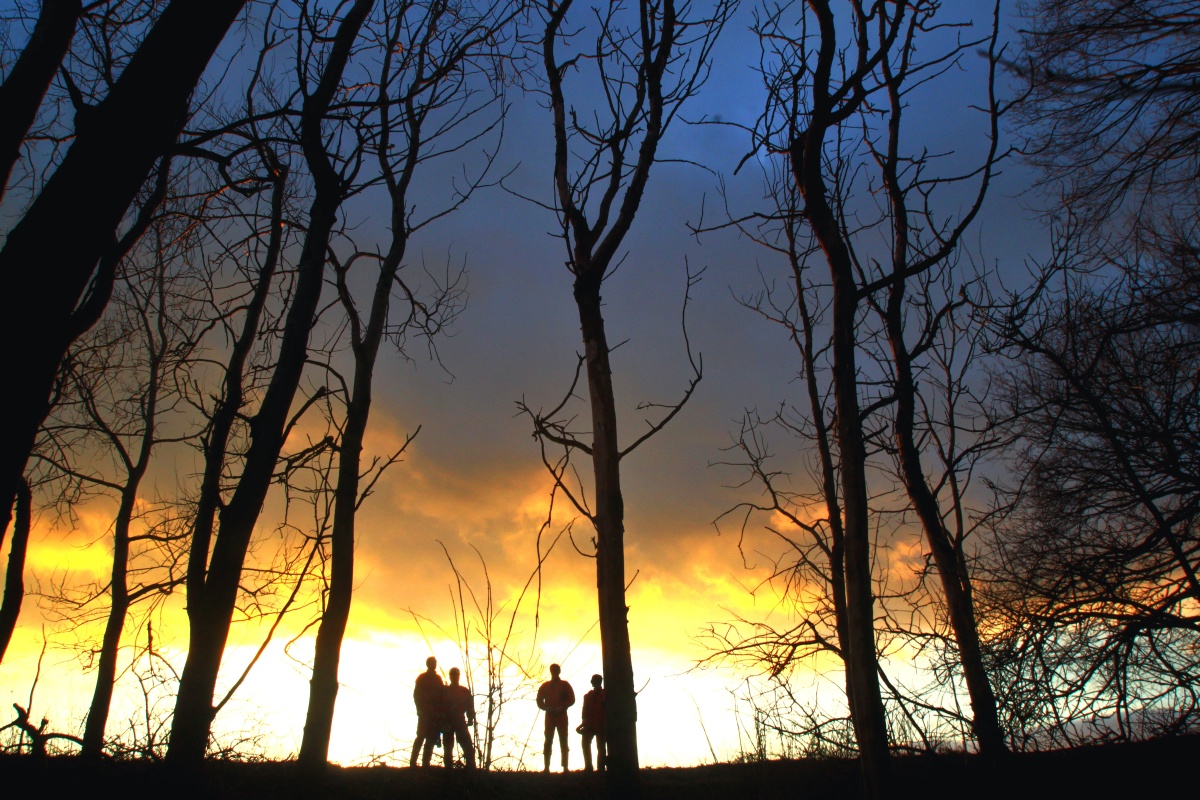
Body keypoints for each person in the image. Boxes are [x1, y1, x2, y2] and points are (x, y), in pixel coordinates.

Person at [536, 663, 575, 772]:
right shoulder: (545, 686)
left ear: (559, 671)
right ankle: (547, 767)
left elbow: (572, 699)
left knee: (563, 740)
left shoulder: (565, 685)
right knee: (548, 740)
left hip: (561, 715)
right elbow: (539, 700)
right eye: (553, 670)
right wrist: (546, 708)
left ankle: (565, 767)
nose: (554, 672)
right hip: (550, 716)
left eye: (556, 670)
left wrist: (562, 707)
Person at [410, 656, 447, 768]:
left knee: (431, 738)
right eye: (432, 663)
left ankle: (425, 764)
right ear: (428, 664)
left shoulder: (438, 679)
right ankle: (413, 763)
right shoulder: (422, 678)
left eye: (435, 663)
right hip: (425, 713)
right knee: (421, 737)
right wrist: (419, 709)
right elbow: (416, 695)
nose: (434, 665)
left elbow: (441, 697)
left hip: (434, 714)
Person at [444, 667, 476, 769]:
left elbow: (470, 706)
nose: (454, 678)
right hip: (448, 721)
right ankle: (448, 768)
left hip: (459, 720)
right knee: (448, 746)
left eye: (455, 675)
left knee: (467, 746)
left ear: (458, 677)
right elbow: (440, 706)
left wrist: (470, 718)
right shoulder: (445, 691)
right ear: (450, 677)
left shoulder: (463, 691)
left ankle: (470, 767)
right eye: (452, 675)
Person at [579, 673, 606, 772]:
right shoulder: (589, 695)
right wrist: (584, 722)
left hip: (600, 723)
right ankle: (590, 767)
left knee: (600, 746)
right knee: (588, 745)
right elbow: (585, 710)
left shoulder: (604, 693)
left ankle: (600, 767)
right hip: (590, 724)